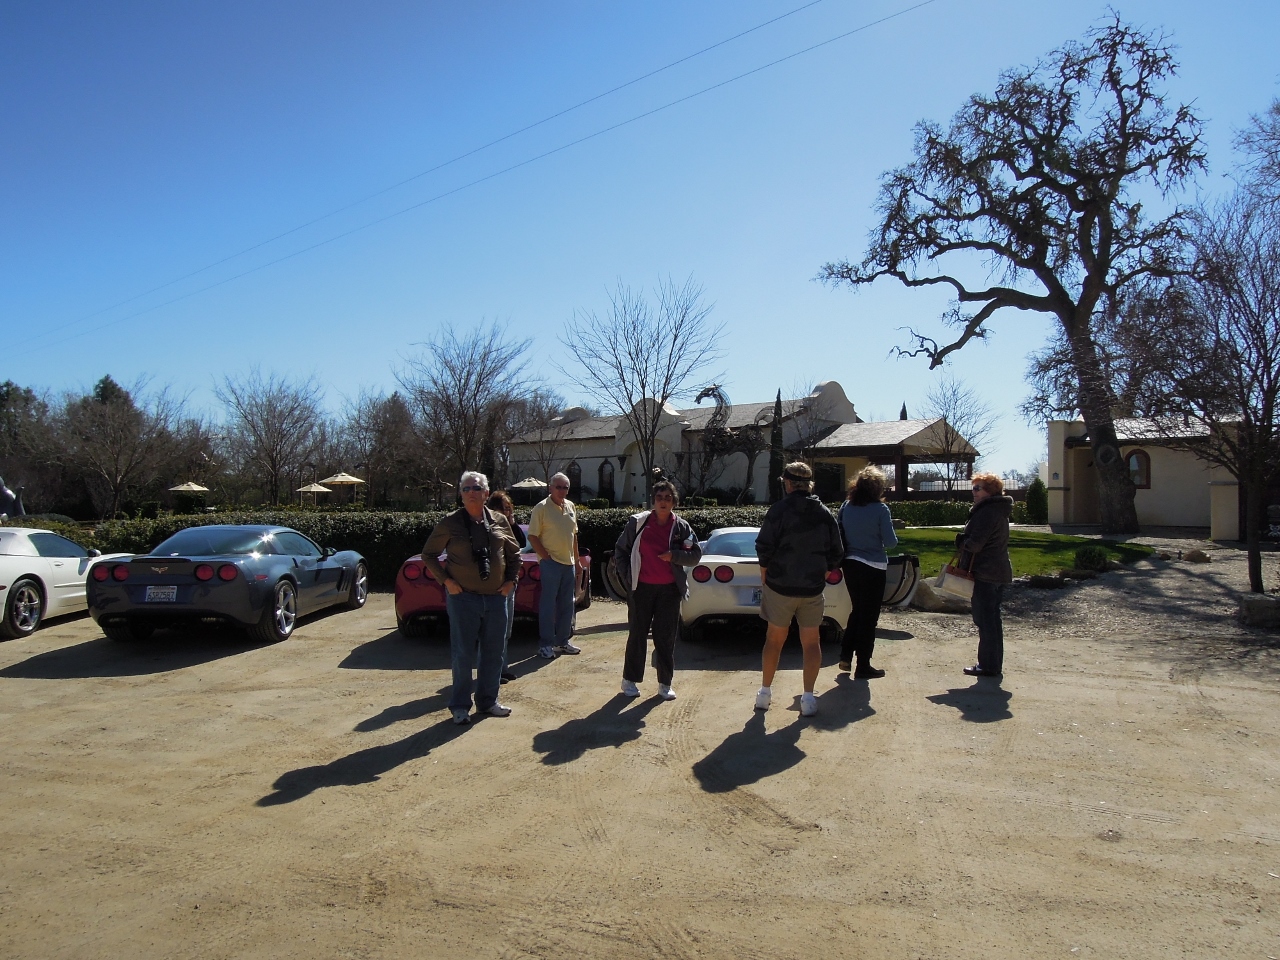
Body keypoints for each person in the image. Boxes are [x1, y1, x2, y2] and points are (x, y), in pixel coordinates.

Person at [421, 471, 521, 725]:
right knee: (463, 654)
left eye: (476, 488)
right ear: (460, 495)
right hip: (464, 599)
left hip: (497, 598)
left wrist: (511, 581)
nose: (471, 493)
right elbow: (429, 555)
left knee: (494, 652)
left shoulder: (499, 520)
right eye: (466, 489)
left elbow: (514, 554)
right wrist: (447, 582)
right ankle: (460, 705)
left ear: (486, 493)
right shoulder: (450, 522)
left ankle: (488, 702)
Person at [754, 461, 844, 717]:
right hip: (812, 589)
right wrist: (821, 574)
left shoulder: (778, 510)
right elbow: (837, 553)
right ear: (809, 484)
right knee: (811, 642)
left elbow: (764, 547)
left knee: (774, 639)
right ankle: (807, 698)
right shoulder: (824, 513)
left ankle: (764, 693)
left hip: (779, 585)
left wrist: (765, 576)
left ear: (788, 483)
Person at [612, 480, 702, 701]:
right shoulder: (638, 523)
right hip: (640, 589)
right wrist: (628, 577)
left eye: (668, 498)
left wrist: (675, 556)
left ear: (674, 502)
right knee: (637, 635)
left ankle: (665, 684)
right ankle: (630, 681)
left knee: (666, 637)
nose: (663, 502)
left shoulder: (681, 527)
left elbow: (695, 555)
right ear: (653, 501)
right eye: (659, 497)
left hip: (669, 591)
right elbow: (620, 551)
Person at [836, 465, 898, 679]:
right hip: (873, 566)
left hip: (850, 563)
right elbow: (890, 543)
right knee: (869, 617)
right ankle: (863, 665)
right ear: (878, 488)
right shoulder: (880, 510)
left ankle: (845, 655)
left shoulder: (846, 506)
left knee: (857, 610)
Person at [956, 472, 1014, 678]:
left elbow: (976, 544)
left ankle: (987, 665)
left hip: (986, 573)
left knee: (985, 620)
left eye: (977, 488)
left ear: (990, 491)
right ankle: (992, 664)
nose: (973, 492)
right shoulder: (998, 510)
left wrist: (961, 542)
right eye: (973, 488)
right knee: (992, 620)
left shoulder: (987, 512)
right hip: (997, 571)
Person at [527, 472, 589, 659]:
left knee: (567, 604)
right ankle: (545, 644)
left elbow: (573, 536)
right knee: (548, 605)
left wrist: (577, 561)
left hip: (568, 563)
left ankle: (562, 641)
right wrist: (545, 557)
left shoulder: (570, 506)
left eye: (565, 487)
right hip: (551, 564)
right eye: (558, 487)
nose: (562, 491)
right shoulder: (541, 508)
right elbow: (532, 536)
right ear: (550, 488)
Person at [487, 491, 525, 684]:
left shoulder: (510, 526)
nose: (506, 511)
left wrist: (511, 522)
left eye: (509, 508)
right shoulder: (488, 527)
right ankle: (492, 672)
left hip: (508, 585)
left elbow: (522, 543)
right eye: (502, 508)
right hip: (492, 587)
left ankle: (502, 668)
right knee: (492, 632)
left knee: (506, 631)